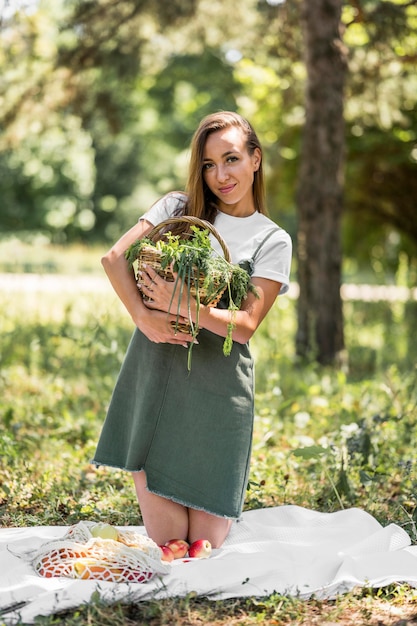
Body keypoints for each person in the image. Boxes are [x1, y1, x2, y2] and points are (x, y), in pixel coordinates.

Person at [93, 111, 292, 549]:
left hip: (217, 389)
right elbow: (114, 259)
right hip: (158, 369)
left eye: (232, 159)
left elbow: (242, 327)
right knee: (172, 545)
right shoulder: (177, 209)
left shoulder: (271, 239)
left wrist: (181, 301)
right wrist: (145, 318)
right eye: (208, 164)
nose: (220, 175)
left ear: (255, 159)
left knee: (204, 545)